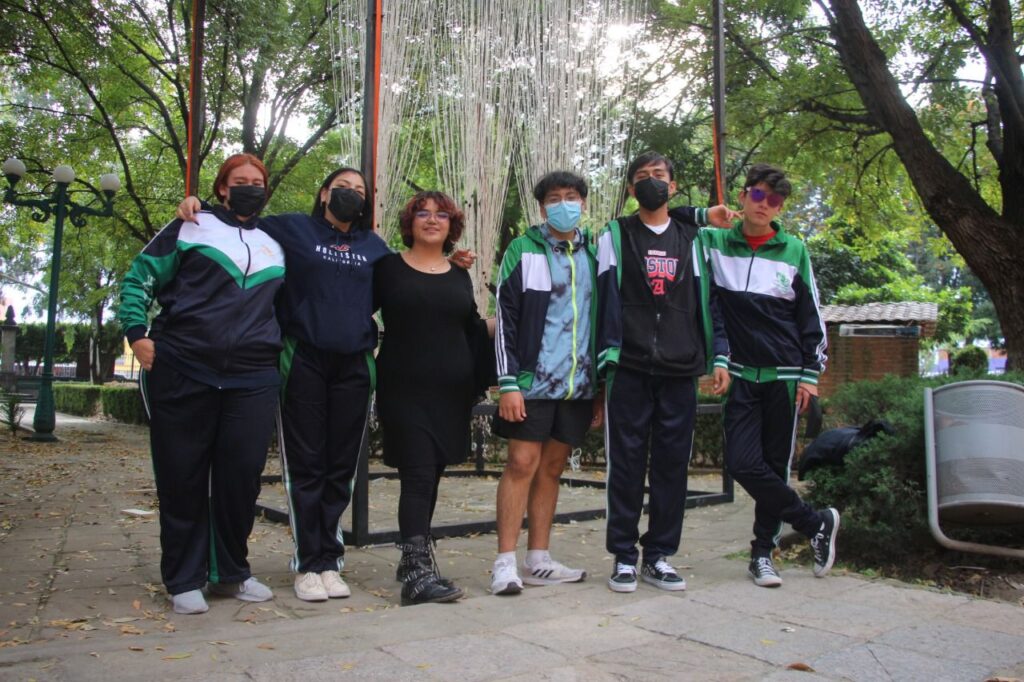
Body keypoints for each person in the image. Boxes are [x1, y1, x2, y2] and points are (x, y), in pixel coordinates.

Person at [119, 153, 285, 614]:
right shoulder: (191, 225)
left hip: (253, 376)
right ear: (222, 188)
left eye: (258, 182)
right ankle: (184, 578)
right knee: (182, 475)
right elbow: (138, 277)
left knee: (241, 479)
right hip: (184, 367)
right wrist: (136, 333)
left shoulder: (276, 242)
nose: (250, 188)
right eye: (240, 180)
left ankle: (230, 573)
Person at [596, 151, 731, 594]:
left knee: (673, 467)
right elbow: (604, 297)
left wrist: (719, 356)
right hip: (629, 367)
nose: (651, 182)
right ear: (631, 189)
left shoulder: (695, 238)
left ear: (672, 187)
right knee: (626, 465)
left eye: (659, 175)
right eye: (642, 177)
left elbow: (712, 301)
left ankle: (658, 556)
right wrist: (605, 358)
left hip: (680, 368)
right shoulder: (615, 234)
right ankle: (623, 556)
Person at [698, 163, 838, 587]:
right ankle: (815, 523)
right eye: (757, 195)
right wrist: (706, 215)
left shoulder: (794, 250)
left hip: (786, 375)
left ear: (780, 208)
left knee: (775, 468)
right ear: (742, 196)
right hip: (739, 374)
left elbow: (811, 316)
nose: (764, 205)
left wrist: (810, 374)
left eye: (774, 200)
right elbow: (672, 229)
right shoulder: (713, 243)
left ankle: (763, 553)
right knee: (742, 463)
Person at [373, 191, 494, 606]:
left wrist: (514, 317)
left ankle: (415, 557)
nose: (431, 219)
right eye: (422, 213)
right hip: (404, 387)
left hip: (452, 392)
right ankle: (416, 573)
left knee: (433, 471)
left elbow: (471, 326)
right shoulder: (387, 267)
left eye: (441, 214)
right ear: (410, 222)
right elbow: (354, 312)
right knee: (419, 472)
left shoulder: (458, 273)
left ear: (451, 225)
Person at [489, 171, 601, 595]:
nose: (563, 204)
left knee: (552, 468)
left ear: (583, 204)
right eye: (554, 198)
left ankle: (539, 559)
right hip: (530, 382)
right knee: (521, 464)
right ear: (541, 207)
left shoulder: (595, 254)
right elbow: (506, 318)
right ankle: (504, 562)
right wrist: (508, 382)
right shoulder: (524, 249)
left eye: (571, 197)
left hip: (578, 385)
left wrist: (600, 388)